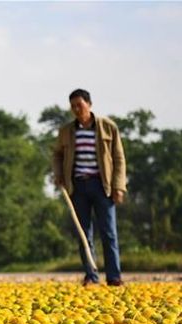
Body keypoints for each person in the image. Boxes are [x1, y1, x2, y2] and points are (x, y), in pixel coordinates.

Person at [52, 89, 127, 287]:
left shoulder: (108, 127)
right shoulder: (66, 131)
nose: (77, 109)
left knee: (108, 232)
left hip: (103, 185)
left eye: (80, 105)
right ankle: (91, 275)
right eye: (73, 106)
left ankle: (114, 276)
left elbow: (119, 158)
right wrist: (58, 175)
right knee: (83, 234)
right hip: (77, 186)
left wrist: (119, 187)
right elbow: (57, 155)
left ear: (89, 104)